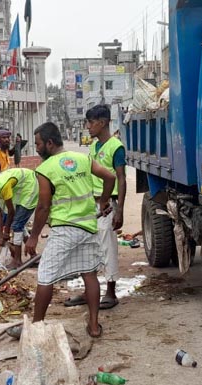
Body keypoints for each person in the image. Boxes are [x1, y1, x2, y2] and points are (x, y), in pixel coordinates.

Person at [23, 122, 116, 338]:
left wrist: (34, 237)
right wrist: (103, 202)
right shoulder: (82, 158)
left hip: (65, 229)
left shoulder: (45, 169)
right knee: (89, 274)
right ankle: (93, 326)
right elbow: (110, 177)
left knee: (45, 277)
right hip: (87, 226)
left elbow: (44, 206)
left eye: (38, 144)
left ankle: (36, 328)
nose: (36, 148)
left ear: (49, 142)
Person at [64, 105, 126, 310]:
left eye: (91, 122)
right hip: (92, 203)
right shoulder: (94, 147)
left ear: (103, 122)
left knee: (107, 247)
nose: (88, 127)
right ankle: (88, 290)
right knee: (88, 247)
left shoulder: (115, 146)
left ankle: (110, 291)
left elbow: (121, 178)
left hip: (108, 204)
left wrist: (120, 210)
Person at [0, 167, 38, 269]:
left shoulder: (2, 186)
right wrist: (0, 236)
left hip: (30, 185)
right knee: (17, 223)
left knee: (17, 224)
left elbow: (11, 212)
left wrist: (6, 232)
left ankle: (17, 261)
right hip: (20, 189)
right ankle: (34, 256)